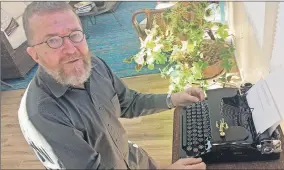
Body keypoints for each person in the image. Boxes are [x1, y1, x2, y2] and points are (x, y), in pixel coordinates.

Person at [18, 2, 206, 169]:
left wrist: (173, 99)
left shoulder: (96, 66)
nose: (70, 49)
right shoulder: (42, 115)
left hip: (135, 161)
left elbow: (129, 103)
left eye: (75, 35)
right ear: (34, 54)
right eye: (53, 40)